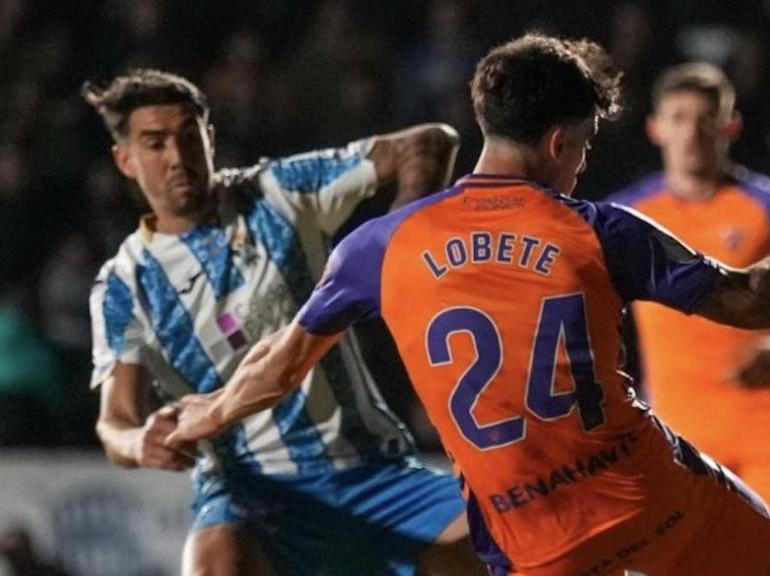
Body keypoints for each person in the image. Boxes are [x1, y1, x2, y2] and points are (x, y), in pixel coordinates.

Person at [166, 36, 770, 576]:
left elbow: (278, 367)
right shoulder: (599, 229)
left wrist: (205, 416)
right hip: (651, 497)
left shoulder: (379, 246)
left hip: (532, 542)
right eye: (584, 146)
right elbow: (756, 302)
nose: (583, 164)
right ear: (559, 142)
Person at [83, 69, 485, 576]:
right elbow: (114, 423)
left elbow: (427, 143)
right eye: (155, 143)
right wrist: (138, 441)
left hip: (373, 471)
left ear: (210, 138)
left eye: (188, 135)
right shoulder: (126, 283)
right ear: (125, 160)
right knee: (213, 568)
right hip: (253, 493)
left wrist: (395, 254)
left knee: (512, 542)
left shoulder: (275, 192)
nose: (177, 156)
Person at [608, 62, 770, 548]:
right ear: (656, 128)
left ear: (730, 125)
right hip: (674, 431)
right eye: (679, 117)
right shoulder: (626, 215)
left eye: (706, 118)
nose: (692, 132)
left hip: (759, 421)